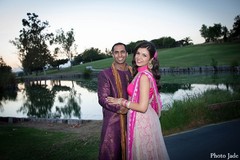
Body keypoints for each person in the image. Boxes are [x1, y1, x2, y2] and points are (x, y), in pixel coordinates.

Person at [106, 41, 170, 160]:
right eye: (138, 53)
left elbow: (142, 107)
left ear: (150, 59)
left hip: (143, 120)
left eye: (144, 55)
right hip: (140, 118)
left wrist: (121, 101)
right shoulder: (139, 73)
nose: (139, 57)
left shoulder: (144, 76)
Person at [97, 42, 132, 160]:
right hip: (113, 122)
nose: (120, 55)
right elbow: (103, 98)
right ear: (112, 55)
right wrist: (120, 108)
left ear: (127, 54)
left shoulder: (133, 72)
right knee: (111, 153)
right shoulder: (105, 74)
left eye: (122, 52)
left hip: (132, 120)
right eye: (116, 52)